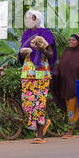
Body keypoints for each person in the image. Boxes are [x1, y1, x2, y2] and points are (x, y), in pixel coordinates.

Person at [18, 9, 57, 144]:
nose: (28, 20)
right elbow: (21, 54)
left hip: (41, 72)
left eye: (31, 18)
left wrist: (42, 50)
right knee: (27, 101)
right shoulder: (25, 34)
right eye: (27, 18)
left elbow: (51, 55)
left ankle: (40, 134)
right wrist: (22, 54)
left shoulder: (45, 33)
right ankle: (43, 123)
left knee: (39, 102)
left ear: (38, 19)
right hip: (27, 71)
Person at [51, 34, 79, 139]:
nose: (70, 41)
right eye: (69, 40)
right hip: (66, 85)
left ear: (78, 42)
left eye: (73, 40)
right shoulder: (66, 52)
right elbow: (61, 66)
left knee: (72, 109)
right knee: (76, 109)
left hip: (77, 87)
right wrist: (54, 74)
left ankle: (70, 131)